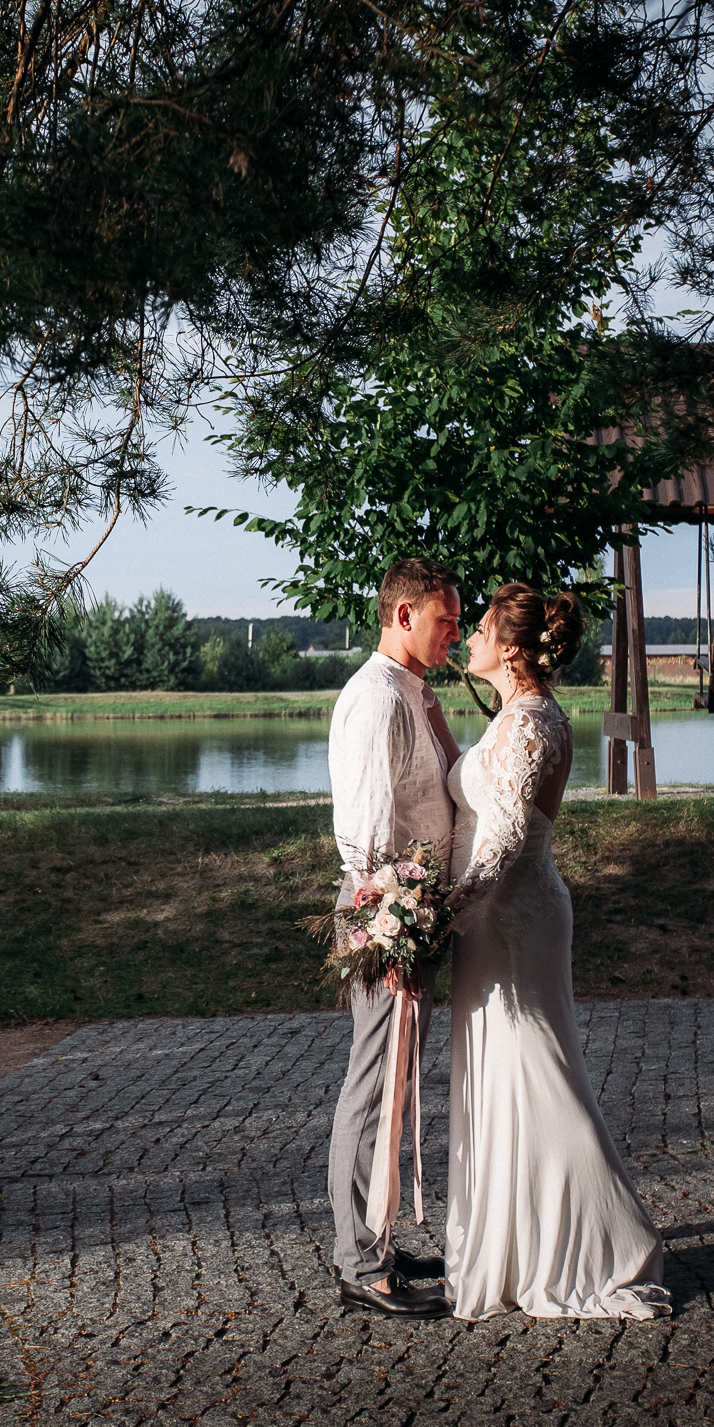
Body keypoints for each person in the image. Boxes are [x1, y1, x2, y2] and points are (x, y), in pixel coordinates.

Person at [443, 583, 670, 1321]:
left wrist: (441, 911)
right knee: (504, 1070)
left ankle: (605, 1245)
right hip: (502, 915)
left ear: (511, 648)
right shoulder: (516, 717)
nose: (469, 638)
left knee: (537, 1069)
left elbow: (506, 839)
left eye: (478, 628)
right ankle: (513, 1245)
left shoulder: (530, 724)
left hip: (511, 919)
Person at [325, 556, 462, 1318]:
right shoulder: (375, 699)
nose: (453, 631)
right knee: (373, 1085)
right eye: (444, 619)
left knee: (395, 1085)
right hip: (387, 913)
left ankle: (374, 1236)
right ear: (402, 615)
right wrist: (390, 928)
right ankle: (358, 1263)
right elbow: (367, 830)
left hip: (410, 909)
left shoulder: (412, 692)